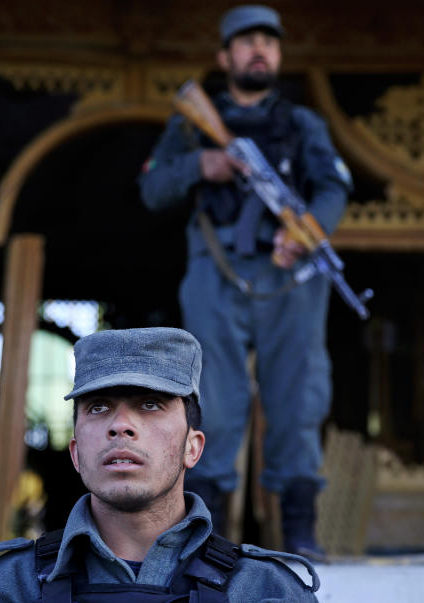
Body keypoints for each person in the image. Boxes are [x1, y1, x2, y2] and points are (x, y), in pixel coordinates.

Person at [138, 5, 352, 559]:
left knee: (298, 400)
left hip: (289, 276)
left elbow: (332, 189)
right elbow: (153, 189)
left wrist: (307, 232)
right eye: (248, 41)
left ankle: (300, 535)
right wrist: (200, 165)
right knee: (214, 404)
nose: (261, 50)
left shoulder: (302, 124)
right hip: (217, 270)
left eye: (270, 43)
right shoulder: (192, 123)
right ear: (225, 56)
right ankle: (205, 540)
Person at [0, 327, 320, 603]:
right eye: (98, 407)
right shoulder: (9, 590)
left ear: (192, 448)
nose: (120, 425)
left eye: (150, 404)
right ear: (77, 453)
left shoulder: (264, 593)